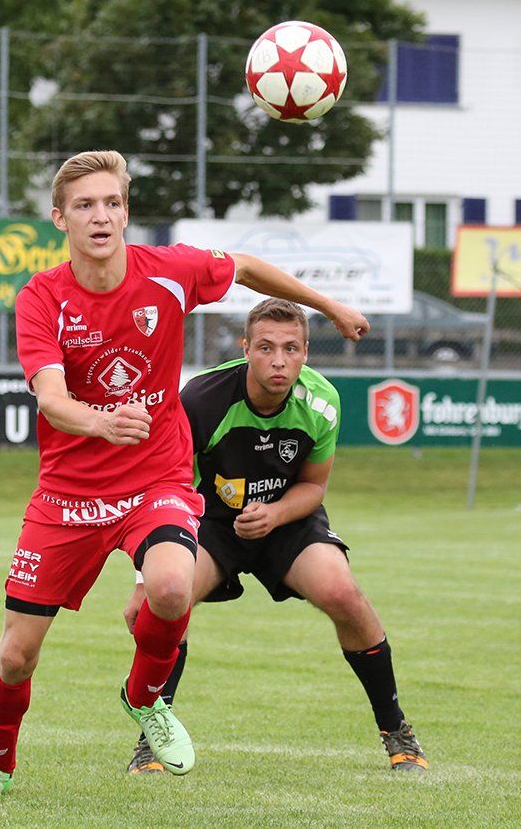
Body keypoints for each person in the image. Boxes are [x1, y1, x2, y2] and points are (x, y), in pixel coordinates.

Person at [0, 151, 370, 799]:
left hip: (157, 479)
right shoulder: (42, 297)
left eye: (112, 203)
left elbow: (246, 267)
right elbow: (52, 399)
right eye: (85, 205)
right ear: (60, 218)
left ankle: (146, 697)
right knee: (15, 656)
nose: (100, 216)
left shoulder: (169, 272)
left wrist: (329, 305)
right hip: (68, 494)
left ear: (126, 212)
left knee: (172, 588)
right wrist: (101, 421)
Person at [124, 298, 427, 775]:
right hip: (209, 522)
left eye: (291, 349)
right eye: (266, 348)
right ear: (245, 349)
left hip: (286, 519)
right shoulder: (201, 400)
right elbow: (164, 486)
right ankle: (153, 738)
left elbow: (314, 487)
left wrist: (275, 513)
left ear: (306, 352)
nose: (279, 361)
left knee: (344, 594)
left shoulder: (321, 401)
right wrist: (146, 579)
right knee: (159, 605)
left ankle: (397, 732)